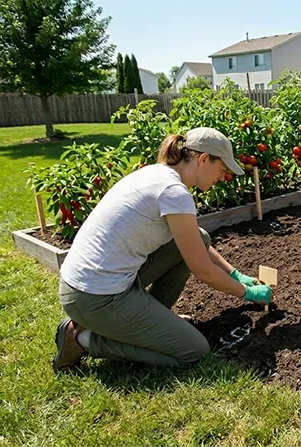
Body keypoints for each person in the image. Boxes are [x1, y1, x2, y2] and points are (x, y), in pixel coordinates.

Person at [53, 127, 272, 372]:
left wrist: (234, 274)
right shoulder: (174, 192)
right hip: (95, 297)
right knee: (194, 350)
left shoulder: (158, 174)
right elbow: (203, 271)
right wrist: (246, 293)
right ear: (202, 159)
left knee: (200, 237)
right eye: (222, 170)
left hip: (92, 283)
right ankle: (82, 340)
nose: (222, 178)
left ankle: (150, 324)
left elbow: (194, 242)